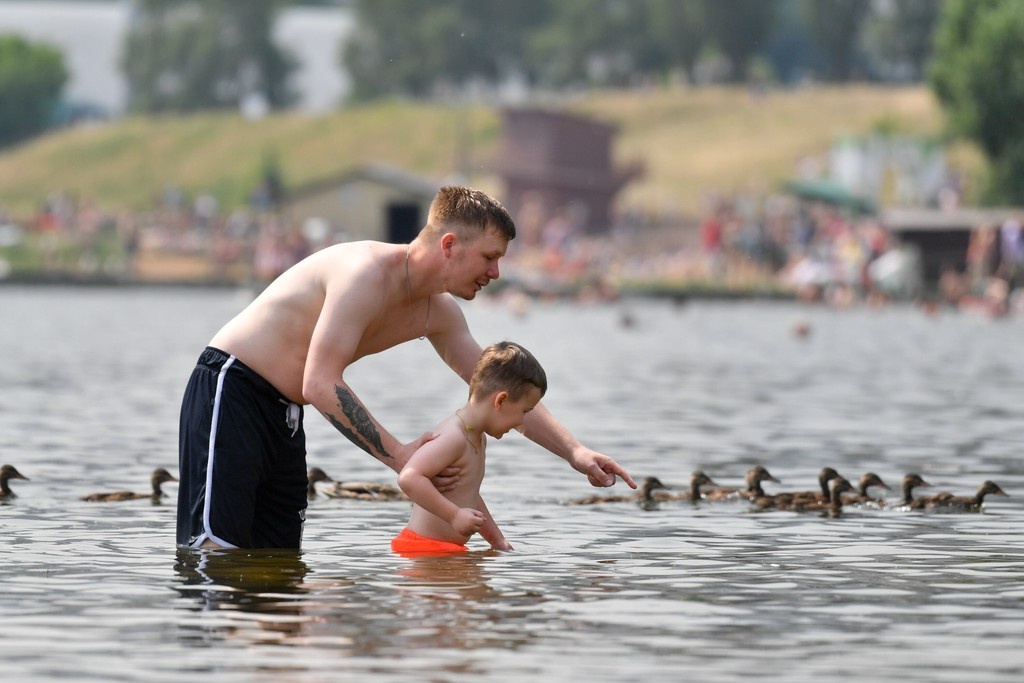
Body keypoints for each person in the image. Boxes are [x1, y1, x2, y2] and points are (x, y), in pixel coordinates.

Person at [177, 185, 636, 550]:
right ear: (450, 245)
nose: (495, 274)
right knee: (217, 552)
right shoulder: (365, 274)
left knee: (278, 559)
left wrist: (574, 452)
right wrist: (399, 456)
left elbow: (505, 394)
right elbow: (319, 383)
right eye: (490, 258)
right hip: (232, 387)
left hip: (285, 413)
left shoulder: (441, 314)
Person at [392, 341, 545, 556]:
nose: (521, 421)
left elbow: (469, 495)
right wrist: (454, 515)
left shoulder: (478, 437)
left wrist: (498, 540)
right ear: (500, 401)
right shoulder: (454, 436)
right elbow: (409, 477)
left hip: (446, 551)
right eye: (524, 411)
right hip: (424, 549)